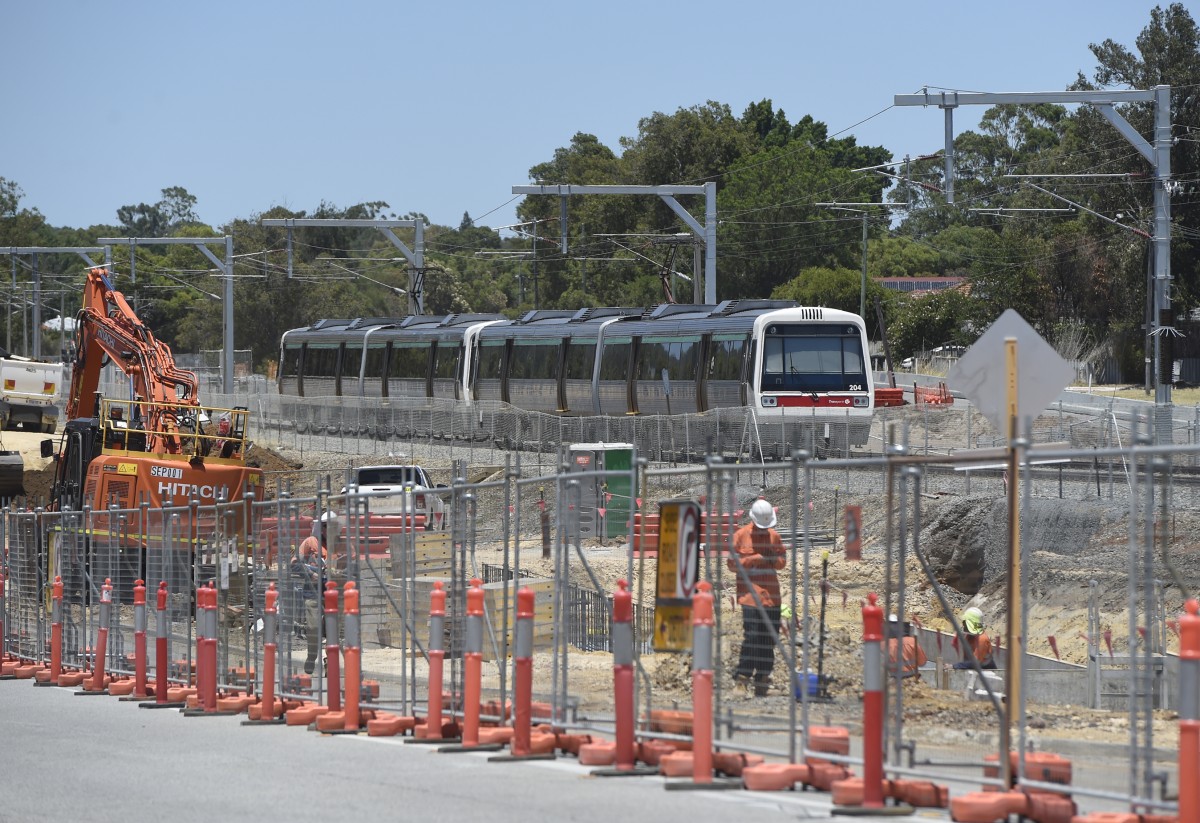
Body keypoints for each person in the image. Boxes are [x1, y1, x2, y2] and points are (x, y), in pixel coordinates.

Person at [728, 498, 787, 696]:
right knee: (752, 637)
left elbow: (782, 562)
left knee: (769, 639)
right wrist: (755, 559)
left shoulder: (774, 537)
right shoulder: (740, 536)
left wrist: (770, 558)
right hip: (749, 597)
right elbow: (731, 565)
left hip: (771, 596)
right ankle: (742, 679)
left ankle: (763, 679)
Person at [293, 511, 336, 674]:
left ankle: (329, 661)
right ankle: (312, 655)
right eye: (326, 526)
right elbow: (295, 565)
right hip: (313, 593)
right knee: (313, 627)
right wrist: (311, 574)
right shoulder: (310, 543)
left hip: (333, 594)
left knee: (333, 629)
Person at [886, 614, 927, 679]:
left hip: (893, 682)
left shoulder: (883, 645)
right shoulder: (912, 642)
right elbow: (922, 662)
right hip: (911, 681)